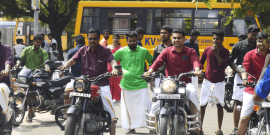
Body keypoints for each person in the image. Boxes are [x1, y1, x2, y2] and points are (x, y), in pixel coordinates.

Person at [60, 28, 118, 135]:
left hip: (101, 83)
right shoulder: (83, 50)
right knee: (68, 88)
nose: (92, 40)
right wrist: (64, 66)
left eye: (95, 38)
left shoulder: (105, 50)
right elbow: (72, 60)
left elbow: (112, 61)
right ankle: (68, 116)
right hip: (85, 82)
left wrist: (115, 69)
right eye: (90, 38)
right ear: (87, 38)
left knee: (110, 112)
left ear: (98, 38)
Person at [145, 29, 201, 133]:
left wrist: (197, 70)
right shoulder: (166, 51)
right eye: (174, 38)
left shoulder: (190, 51)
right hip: (168, 83)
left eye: (179, 38)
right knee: (155, 100)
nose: (176, 40)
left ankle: (193, 124)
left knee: (192, 92)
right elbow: (157, 62)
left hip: (185, 83)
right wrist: (150, 71)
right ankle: (153, 128)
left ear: (184, 39)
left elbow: (195, 61)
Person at [113, 31, 153, 134]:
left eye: (134, 40)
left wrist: (148, 72)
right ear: (126, 41)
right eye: (130, 41)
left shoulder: (143, 51)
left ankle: (152, 127)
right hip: (126, 84)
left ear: (137, 40)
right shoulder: (121, 51)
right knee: (128, 108)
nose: (132, 43)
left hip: (141, 83)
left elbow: (152, 62)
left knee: (146, 106)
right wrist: (116, 70)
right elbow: (111, 60)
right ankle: (130, 127)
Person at [228, 24, 260, 135]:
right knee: (238, 103)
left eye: (256, 36)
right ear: (247, 34)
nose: (254, 38)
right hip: (241, 78)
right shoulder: (239, 45)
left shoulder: (260, 45)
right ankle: (236, 128)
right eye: (252, 35)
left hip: (257, 78)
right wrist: (238, 72)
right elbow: (230, 60)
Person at [237, 31, 270, 134]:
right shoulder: (249, 54)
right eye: (259, 41)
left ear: (268, 43)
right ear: (256, 43)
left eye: (264, 41)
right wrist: (244, 79)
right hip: (252, 89)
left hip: (268, 90)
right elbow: (244, 69)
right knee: (244, 119)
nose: (262, 44)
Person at [200, 30, 230, 135]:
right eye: (213, 38)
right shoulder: (207, 50)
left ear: (222, 40)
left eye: (217, 39)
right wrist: (199, 70)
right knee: (203, 104)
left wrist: (216, 53)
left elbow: (223, 66)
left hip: (219, 81)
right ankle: (200, 127)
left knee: (220, 105)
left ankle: (219, 129)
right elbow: (201, 61)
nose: (215, 41)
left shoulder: (226, 52)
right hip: (207, 80)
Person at [20, 34, 51, 123]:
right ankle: (31, 109)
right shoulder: (27, 50)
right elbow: (20, 58)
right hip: (27, 74)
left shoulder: (43, 52)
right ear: (33, 42)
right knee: (25, 90)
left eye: (40, 43)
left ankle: (30, 112)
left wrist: (47, 68)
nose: (38, 44)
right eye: (36, 42)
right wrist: (17, 63)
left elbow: (46, 63)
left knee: (32, 91)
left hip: (37, 75)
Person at [148, 25, 172, 134]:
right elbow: (154, 64)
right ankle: (152, 129)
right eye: (161, 33)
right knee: (155, 104)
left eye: (165, 33)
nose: (162, 35)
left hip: (172, 79)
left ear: (170, 34)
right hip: (159, 79)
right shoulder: (158, 48)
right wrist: (152, 80)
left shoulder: (175, 46)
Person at [107, 34, 122, 103]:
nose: (115, 39)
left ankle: (116, 97)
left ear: (119, 39)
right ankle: (109, 97)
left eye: (117, 38)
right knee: (109, 81)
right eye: (114, 38)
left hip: (117, 66)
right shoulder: (108, 47)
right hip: (109, 66)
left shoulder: (121, 48)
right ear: (112, 39)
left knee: (116, 82)